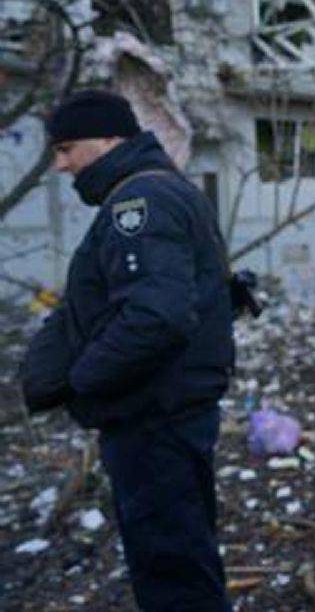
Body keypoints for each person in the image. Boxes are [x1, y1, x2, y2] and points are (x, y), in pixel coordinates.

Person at [18, 90, 234, 611]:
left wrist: (81, 381)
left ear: (112, 138)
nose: (61, 164)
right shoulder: (159, 190)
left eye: (69, 148)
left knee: (171, 571)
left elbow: (155, 316)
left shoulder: (140, 201)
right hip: (165, 413)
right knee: (182, 558)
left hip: (152, 418)